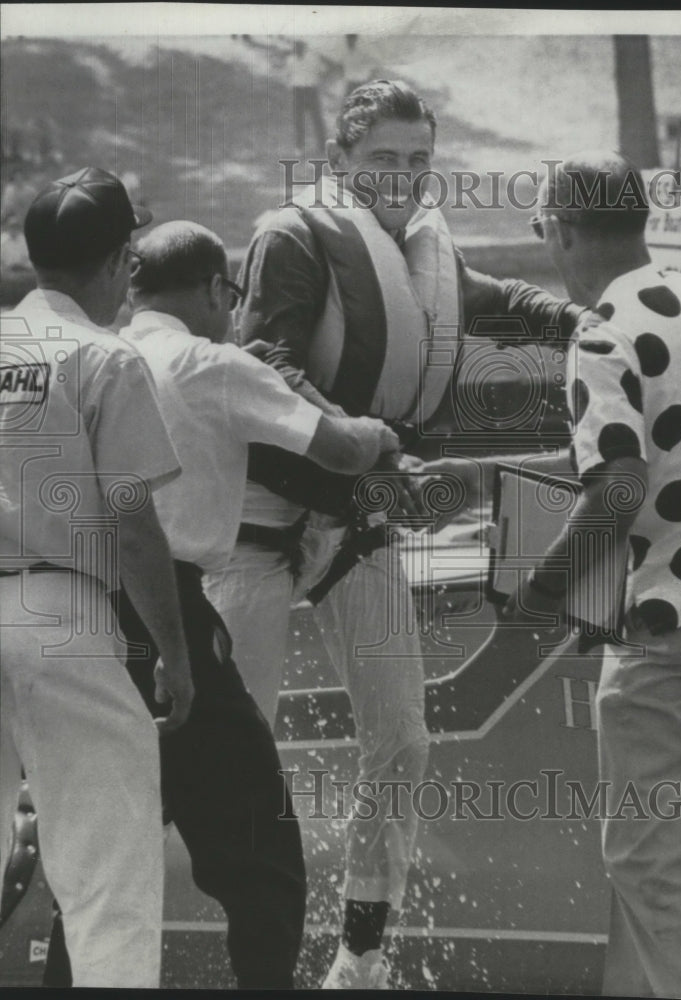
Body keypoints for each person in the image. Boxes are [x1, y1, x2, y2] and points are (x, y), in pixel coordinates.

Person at [205, 79, 593, 988]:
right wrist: (364, 455)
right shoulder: (293, 238)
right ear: (339, 161)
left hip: (356, 529)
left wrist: (583, 323)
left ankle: (361, 954)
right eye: (383, 160)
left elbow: (491, 301)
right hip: (259, 530)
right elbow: (264, 365)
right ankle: (237, 955)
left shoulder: (419, 248)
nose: (404, 179)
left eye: (419, 161)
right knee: (235, 756)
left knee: (403, 740)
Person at [38, 219, 399, 990]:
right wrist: (381, 435)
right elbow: (336, 448)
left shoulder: (88, 356)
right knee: (264, 859)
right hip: (168, 610)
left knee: (104, 859)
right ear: (213, 290)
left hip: (69, 611)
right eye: (230, 296)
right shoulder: (214, 363)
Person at [505, 151, 681, 998]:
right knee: (653, 853)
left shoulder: (599, 333)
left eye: (544, 227)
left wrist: (538, 593)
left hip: (664, 630)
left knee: (649, 864)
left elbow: (616, 486)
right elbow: (660, 459)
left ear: (565, 229)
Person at [0, 166, 193, 987]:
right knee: (109, 876)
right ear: (119, 262)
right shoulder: (105, 357)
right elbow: (133, 524)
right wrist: (173, 655)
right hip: (57, 613)